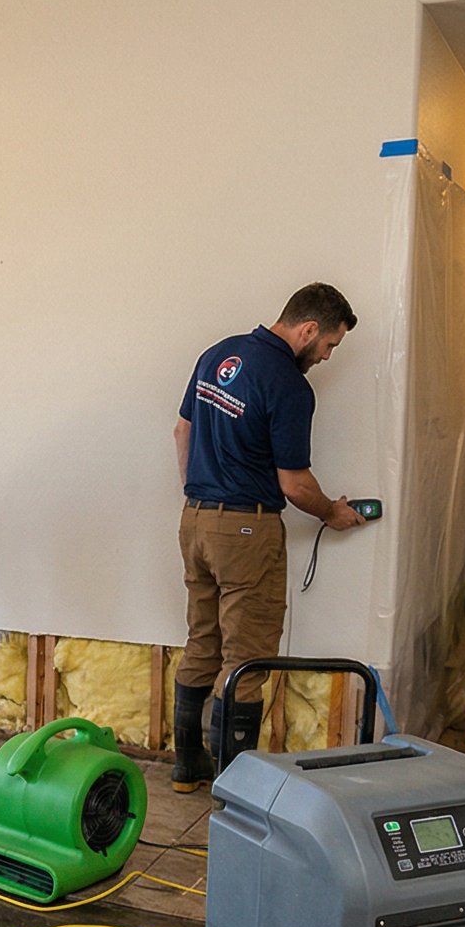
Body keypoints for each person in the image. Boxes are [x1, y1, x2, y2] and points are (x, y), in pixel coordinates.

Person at [169, 282, 365, 791]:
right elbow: (295, 484)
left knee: (201, 645)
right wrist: (332, 513)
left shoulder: (217, 354)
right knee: (246, 659)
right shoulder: (288, 384)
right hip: (245, 528)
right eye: (329, 345)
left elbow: (181, 431)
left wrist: (199, 490)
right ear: (308, 329)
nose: (325, 356)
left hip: (195, 520)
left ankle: (186, 769)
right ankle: (233, 789)